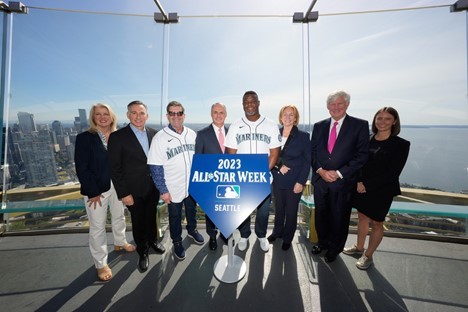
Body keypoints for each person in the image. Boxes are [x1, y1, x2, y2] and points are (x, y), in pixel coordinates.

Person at [343, 107, 410, 269]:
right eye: (379, 118)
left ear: (394, 121)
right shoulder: (367, 139)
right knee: (362, 217)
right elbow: (357, 162)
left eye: (387, 119)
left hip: (382, 191)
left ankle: (368, 256)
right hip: (360, 187)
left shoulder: (401, 145)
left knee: (377, 223)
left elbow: (393, 173)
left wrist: (366, 185)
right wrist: (358, 182)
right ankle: (359, 248)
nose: (382, 122)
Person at [75, 103, 136, 281]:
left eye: (106, 114)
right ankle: (101, 264)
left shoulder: (119, 136)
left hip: (119, 186)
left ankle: (120, 242)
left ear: (112, 116)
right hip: (96, 190)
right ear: (93, 118)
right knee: (97, 227)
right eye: (98, 114)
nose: (102, 117)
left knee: (119, 216)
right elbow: (82, 168)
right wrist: (92, 191)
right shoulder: (84, 138)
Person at [310, 90, 369, 263]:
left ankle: (334, 249)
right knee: (321, 215)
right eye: (332, 104)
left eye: (339, 104)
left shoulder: (359, 125)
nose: (335, 107)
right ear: (327, 107)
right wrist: (320, 171)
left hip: (343, 183)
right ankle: (322, 243)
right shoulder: (319, 126)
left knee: (339, 217)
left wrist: (339, 173)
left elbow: (362, 155)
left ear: (347, 105)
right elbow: (312, 152)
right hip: (321, 181)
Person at [108, 100, 165, 273]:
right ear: (128, 115)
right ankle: (142, 251)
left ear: (147, 115)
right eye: (134, 113)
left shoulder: (155, 134)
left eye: (141, 113)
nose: (138, 116)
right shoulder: (118, 137)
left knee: (151, 216)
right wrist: (124, 193)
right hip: (132, 190)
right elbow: (114, 168)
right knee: (138, 221)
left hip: (153, 187)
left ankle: (153, 241)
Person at [225, 90, 281, 252]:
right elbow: (231, 154)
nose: (249, 105)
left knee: (263, 211)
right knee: (244, 210)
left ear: (258, 103)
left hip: (263, 177)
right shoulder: (236, 125)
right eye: (246, 102)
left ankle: (261, 235)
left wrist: (260, 174)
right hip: (242, 178)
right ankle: (244, 235)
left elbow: (274, 153)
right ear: (243, 105)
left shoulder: (270, 124)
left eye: (252, 101)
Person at [148, 101, 204, 261]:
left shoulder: (192, 134)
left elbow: (200, 159)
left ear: (184, 115)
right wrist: (163, 190)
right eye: (172, 113)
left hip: (192, 185)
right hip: (173, 187)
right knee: (175, 216)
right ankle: (177, 241)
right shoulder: (160, 137)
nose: (176, 116)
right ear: (167, 116)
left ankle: (192, 230)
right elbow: (155, 166)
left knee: (191, 211)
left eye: (179, 113)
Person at [268, 105, 311, 251]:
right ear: (280, 117)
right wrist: (278, 166)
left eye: (291, 115)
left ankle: (287, 238)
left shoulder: (303, 136)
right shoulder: (274, 134)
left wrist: (301, 182)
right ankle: (277, 232)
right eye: (285, 114)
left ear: (295, 118)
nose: (287, 117)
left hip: (295, 182)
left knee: (291, 212)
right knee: (279, 209)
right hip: (277, 179)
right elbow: (269, 155)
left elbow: (307, 161)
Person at [195, 102, 229, 251]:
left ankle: (225, 233)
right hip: (211, 181)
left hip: (229, 180)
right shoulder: (202, 134)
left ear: (225, 114)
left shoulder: (232, 132)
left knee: (226, 209)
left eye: (221, 112)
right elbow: (198, 159)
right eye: (215, 112)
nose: (218, 115)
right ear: (211, 114)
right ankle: (212, 236)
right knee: (211, 211)